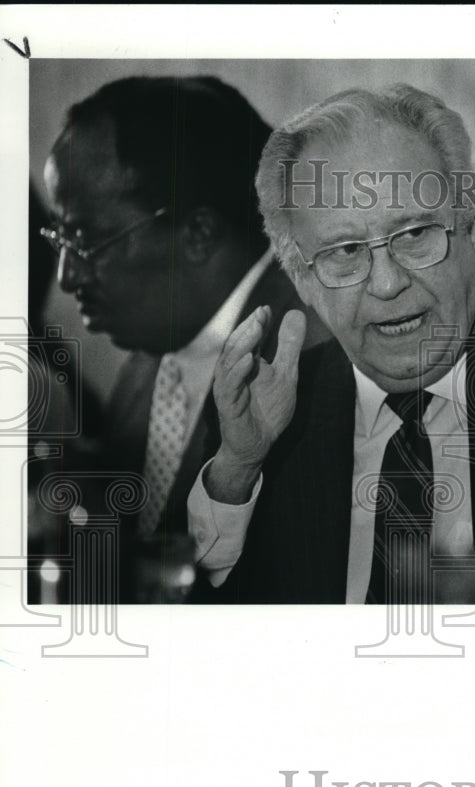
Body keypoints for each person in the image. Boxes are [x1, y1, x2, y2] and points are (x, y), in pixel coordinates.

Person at [187, 84, 475, 604]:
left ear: (471, 231)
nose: (386, 283)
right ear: (304, 282)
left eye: (415, 234)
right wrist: (238, 469)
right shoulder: (265, 421)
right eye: (346, 250)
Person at [40, 76, 328, 589]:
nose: (67, 275)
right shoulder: (156, 347)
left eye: (85, 239)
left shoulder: (315, 363)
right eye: (59, 237)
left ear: (197, 233)